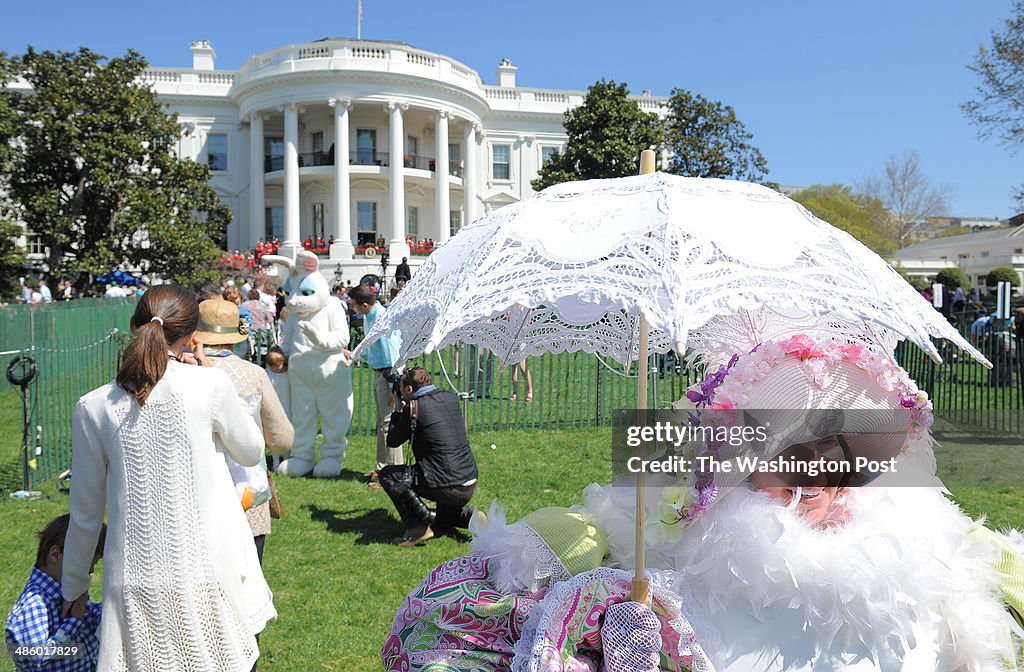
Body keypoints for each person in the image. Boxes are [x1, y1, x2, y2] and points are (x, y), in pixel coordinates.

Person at [385, 331, 1024, 671]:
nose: (821, 479)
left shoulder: (924, 565)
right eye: (795, 460)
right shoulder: (671, 584)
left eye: (843, 458)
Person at [62, 284, 275, 671]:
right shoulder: (208, 385)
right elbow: (251, 450)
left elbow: (85, 515)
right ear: (192, 336)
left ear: (134, 326)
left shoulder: (93, 406)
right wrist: (219, 385)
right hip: (205, 572)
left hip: (132, 581)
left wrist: (73, 585)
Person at [193, 298, 294, 568]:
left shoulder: (183, 371)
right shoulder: (252, 374)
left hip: (196, 491)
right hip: (247, 492)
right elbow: (282, 438)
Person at [380, 367, 481, 546]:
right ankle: (471, 517)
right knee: (442, 521)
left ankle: (417, 528)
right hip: (468, 481)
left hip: (446, 484)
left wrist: (397, 407)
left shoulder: (414, 408)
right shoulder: (450, 397)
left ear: (409, 390)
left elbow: (393, 441)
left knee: (388, 474)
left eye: (402, 390)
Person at [5, 515, 106, 672]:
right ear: (56, 555)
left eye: (95, 562)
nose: (91, 569)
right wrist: (74, 622)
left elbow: (88, 615)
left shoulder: (67, 591)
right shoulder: (35, 604)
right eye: (89, 561)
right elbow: (39, 655)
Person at [343, 284, 403, 486]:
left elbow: (391, 353)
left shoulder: (380, 318)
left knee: (389, 425)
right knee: (382, 424)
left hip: (388, 375)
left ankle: (393, 474)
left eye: (353, 304)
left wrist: (393, 387)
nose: (351, 307)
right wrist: (354, 354)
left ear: (365, 304)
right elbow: (371, 346)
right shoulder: (371, 316)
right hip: (381, 373)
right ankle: (382, 468)